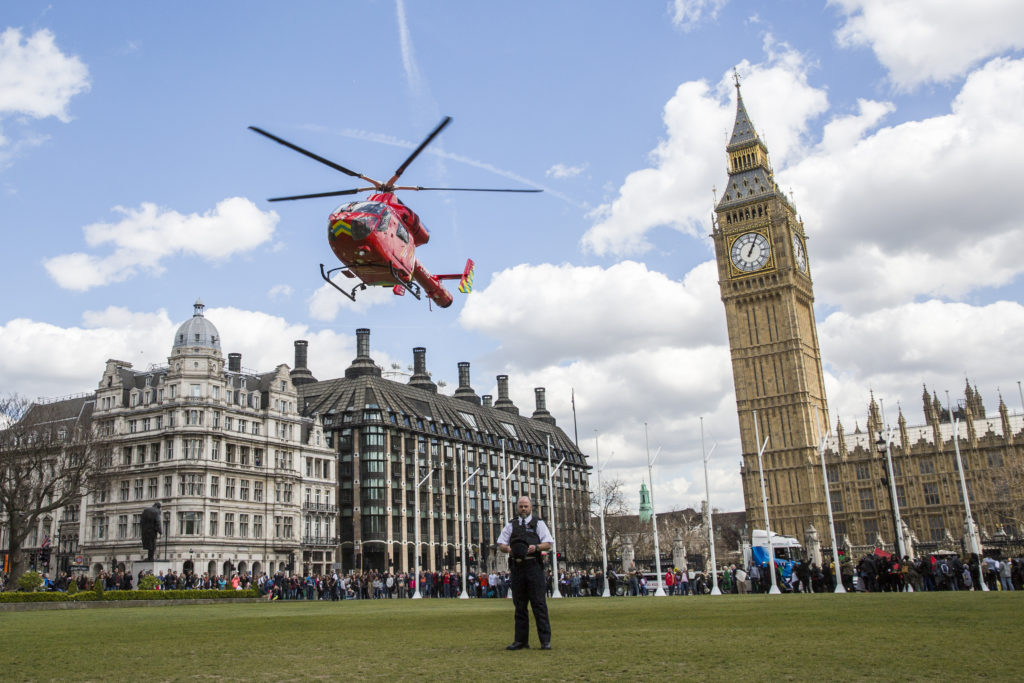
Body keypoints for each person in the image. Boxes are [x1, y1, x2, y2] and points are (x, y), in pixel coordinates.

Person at [498, 496, 553, 651]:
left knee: (539, 604)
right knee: (520, 605)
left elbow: (548, 543)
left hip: (533, 566)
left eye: (526, 506)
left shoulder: (538, 523)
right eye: (521, 506)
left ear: (531, 507)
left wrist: (536, 547)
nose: (523, 509)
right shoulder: (512, 524)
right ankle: (521, 641)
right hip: (517, 568)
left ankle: (545, 640)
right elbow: (501, 543)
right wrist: (507, 549)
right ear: (517, 508)